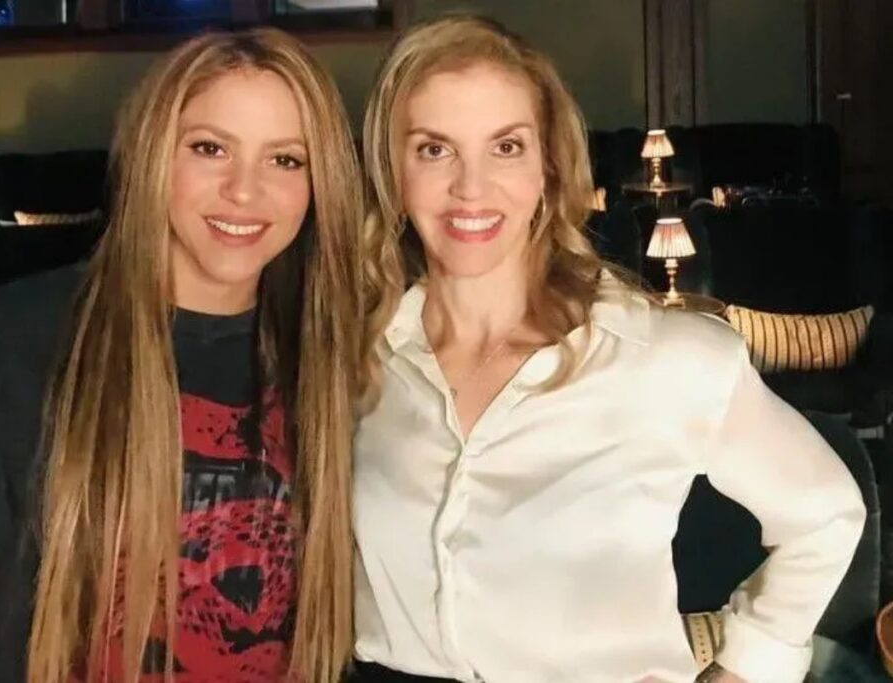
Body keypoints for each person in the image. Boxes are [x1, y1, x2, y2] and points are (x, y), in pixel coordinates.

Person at [352, 15, 865, 683]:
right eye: (433, 149)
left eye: (506, 146)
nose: (470, 186)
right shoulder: (356, 356)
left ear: (548, 166)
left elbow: (826, 515)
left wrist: (746, 666)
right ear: (392, 171)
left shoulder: (667, 358)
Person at [0, 28, 360, 683]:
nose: (245, 191)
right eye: (210, 148)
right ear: (154, 154)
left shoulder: (335, 351)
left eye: (286, 159)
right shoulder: (12, 339)